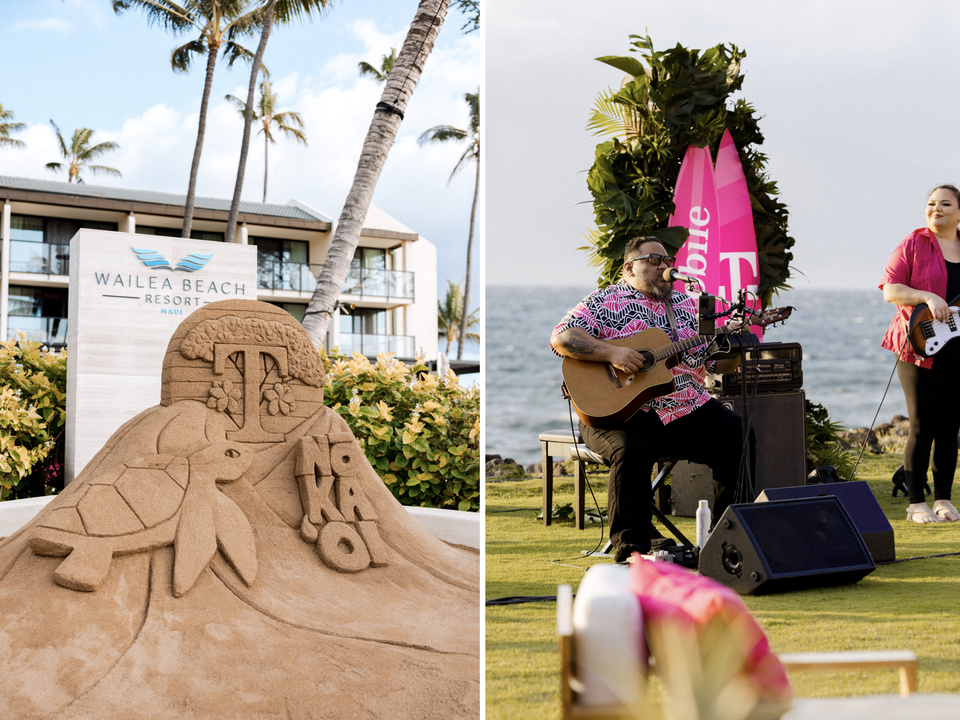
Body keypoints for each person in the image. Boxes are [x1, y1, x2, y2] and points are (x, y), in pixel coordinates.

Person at [550, 236, 746, 561]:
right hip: (618, 413)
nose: (664, 266)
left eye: (667, 260)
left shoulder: (690, 304)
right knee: (631, 448)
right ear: (629, 267)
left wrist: (735, 345)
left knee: (739, 436)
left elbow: (717, 365)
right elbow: (563, 336)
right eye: (654, 261)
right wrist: (612, 352)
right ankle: (632, 551)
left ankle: (725, 542)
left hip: (685, 409)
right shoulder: (604, 301)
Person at [881, 184, 960, 524]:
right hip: (917, 346)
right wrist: (927, 296)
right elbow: (891, 290)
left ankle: (943, 499)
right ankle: (916, 502)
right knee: (922, 424)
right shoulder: (913, 243)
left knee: (949, 427)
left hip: (957, 348)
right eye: (931, 204)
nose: (936, 209)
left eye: (944, 204)